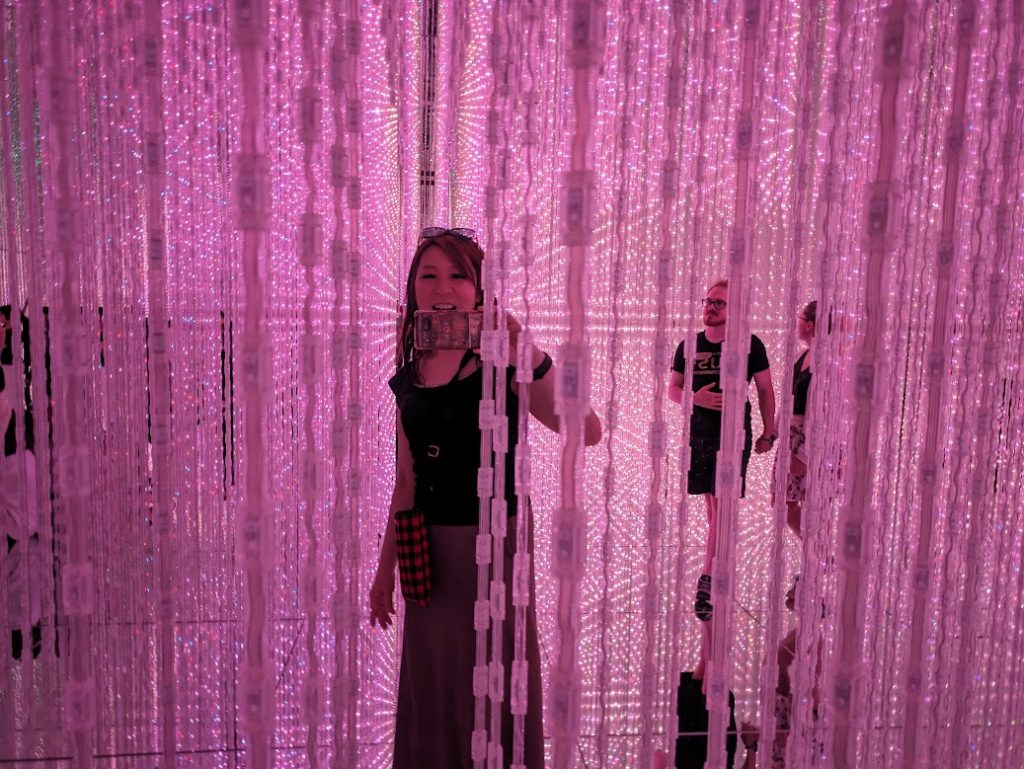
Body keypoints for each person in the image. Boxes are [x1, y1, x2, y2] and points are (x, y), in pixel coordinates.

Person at [368, 228, 601, 769]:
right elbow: (406, 482)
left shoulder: (504, 365)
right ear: (413, 289)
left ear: (479, 291)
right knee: (434, 675)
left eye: (458, 275)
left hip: (497, 548)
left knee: (494, 671)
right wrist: (383, 571)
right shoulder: (408, 379)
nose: (442, 287)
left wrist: (530, 354)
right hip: (426, 550)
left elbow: (587, 429)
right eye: (429, 275)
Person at [668, 279, 775, 625]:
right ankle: (720, 567)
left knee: (722, 503)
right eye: (708, 301)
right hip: (699, 433)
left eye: (719, 303)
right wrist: (694, 398)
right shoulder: (689, 345)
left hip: (733, 434)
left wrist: (769, 431)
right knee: (714, 508)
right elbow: (673, 388)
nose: (710, 308)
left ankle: (708, 577)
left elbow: (765, 390)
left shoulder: (749, 345)